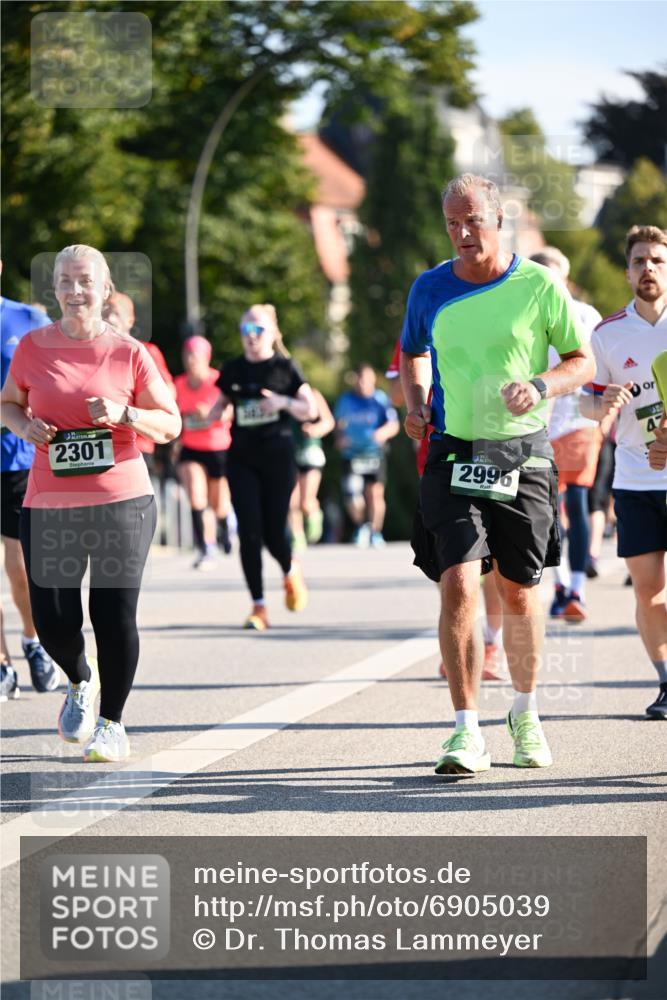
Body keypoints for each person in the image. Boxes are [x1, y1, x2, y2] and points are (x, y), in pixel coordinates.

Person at [401, 173, 594, 775]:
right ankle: (464, 730)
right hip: (455, 448)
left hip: (521, 453)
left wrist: (539, 386)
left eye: (472, 221)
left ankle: (526, 713)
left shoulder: (538, 285)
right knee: (457, 579)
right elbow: (411, 351)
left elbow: (580, 361)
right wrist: (414, 404)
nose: (462, 233)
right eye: (452, 223)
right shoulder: (429, 287)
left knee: (518, 590)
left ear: (498, 219)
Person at [0, 244, 181, 760]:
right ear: (53, 288)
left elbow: (170, 423)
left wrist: (125, 414)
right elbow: (9, 403)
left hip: (121, 499)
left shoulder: (129, 353)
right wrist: (25, 425)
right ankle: (80, 679)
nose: (75, 291)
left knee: (113, 613)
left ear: (104, 290)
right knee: (52, 615)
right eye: (65, 281)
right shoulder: (33, 346)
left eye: (85, 282)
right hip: (49, 500)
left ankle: (112, 723)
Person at [581, 225, 667, 721]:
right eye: (639, 261)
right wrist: (603, 403)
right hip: (635, 478)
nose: (648, 268)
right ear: (628, 269)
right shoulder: (607, 334)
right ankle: (665, 681)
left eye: (657, 259)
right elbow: (592, 408)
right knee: (649, 591)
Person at [386, 337, 505, 681]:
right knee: (452, 562)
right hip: (439, 456)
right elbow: (397, 392)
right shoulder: (421, 323)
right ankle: (462, 639)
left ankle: (492, 644)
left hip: (493, 444)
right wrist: (419, 395)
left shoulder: (496, 310)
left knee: (497, 557)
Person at [215, 303, 317, 630]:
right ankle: (258, 607)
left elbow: (309, 409)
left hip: (278, 456)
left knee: (274, 533)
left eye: (258, 330)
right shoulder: (232, 369)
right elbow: (218, 407)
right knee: (249, 531)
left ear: (272, 333)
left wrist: (282, 402)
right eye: (246, 330)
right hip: (241, 458)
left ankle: (290, 569)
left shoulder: (285, 368)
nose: (251, 337)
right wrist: (208, 416)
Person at [530, 247, 603, 622]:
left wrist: (605, 414)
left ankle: (577, 588)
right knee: (546, 509)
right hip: (538, 424)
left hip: (578, 421)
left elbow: (600, 366)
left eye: (554, 276)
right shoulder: (525, 315)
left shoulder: (586, 315)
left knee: (575, 499)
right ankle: (559, 586)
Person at [1, 270, 59, 700]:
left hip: (16, 461)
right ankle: (2, 665)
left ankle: (32, 639)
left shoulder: (28, 319)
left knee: (21, 566)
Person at [103, 288, 177, 477]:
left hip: (136, 445)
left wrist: (131, 409)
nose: (109, 319)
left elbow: (169, 393)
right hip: (99, 445)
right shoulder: (87, 355)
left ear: (130, 320)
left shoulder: (145, 351)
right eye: (104, 313)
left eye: (115, 314)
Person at [175, 336, 233, 569]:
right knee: (196, 498)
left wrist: (209, 413)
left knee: (218, 504)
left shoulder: (218, 381)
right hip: (191, 448)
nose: (190, 360)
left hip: (218, 448)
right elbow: (173, 413)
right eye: (187, 355)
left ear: (206, 358)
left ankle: (225, 524)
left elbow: (230, 413)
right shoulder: (178, 384)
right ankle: (204, 547)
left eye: (195, 356)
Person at [334, 363, 400, 548]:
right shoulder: (346, 400)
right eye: (359, 379)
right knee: (352, 496)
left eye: (366, 379)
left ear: (373, 380)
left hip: (374, 454)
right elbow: (338, 424)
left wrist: (382, 433)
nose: (362, 383)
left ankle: (375, 532)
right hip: (351, 454)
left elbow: (393, 424)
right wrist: (340, 437)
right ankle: (361, 526)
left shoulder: (380, 399)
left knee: (375, 494)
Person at [289, 387, 335, 551]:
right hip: (288, 452)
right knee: (291, 499)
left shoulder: (313, 394)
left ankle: (314, 515)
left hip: (310, 451)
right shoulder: (280, 397)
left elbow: (329, 421)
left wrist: (315, 430)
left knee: (306, 501)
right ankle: (297, 535)